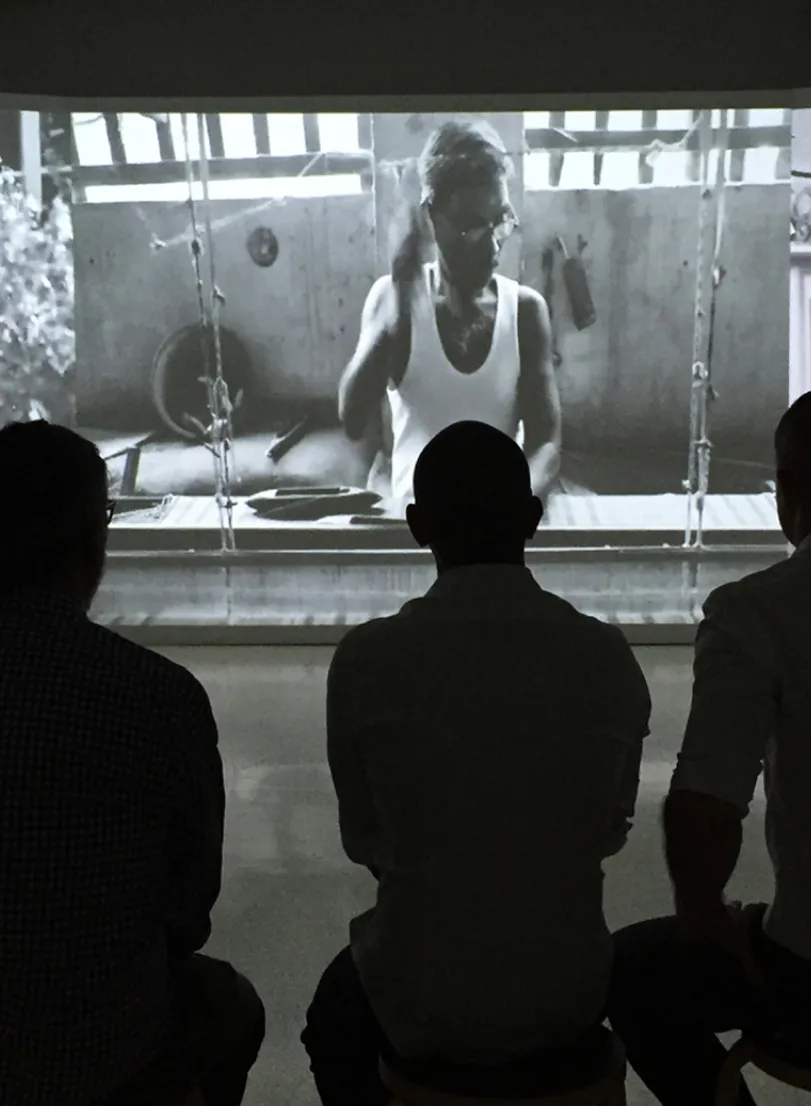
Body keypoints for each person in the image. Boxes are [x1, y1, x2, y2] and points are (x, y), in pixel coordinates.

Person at [302, 420, 651, 1106]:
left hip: (416, 996)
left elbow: (363, 841)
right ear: (533, 518)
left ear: (416, 526)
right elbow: (608, 830)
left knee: (332, 1023)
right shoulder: (605, 656)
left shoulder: (367, 662)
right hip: (567, 993)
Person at [607, 386, 811, 1106]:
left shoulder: (755, 612)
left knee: (631, 973)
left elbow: (706, 801)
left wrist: (705, 914)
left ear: (786, 490)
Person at [0, 420, 265, 1106]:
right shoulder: (157, 696)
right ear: (96, 536)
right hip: (108, 1057)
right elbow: (189, 910)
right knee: (229, 1005)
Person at [337, 117, 562, 506]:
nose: (492, 247)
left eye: (499, 222)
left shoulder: (525, 312)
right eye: (470, 227)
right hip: (416, 519)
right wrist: (400, 298)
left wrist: (515, 501)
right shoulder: (394, 300)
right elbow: (353, 421)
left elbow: (546, 443)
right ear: (430, 219)